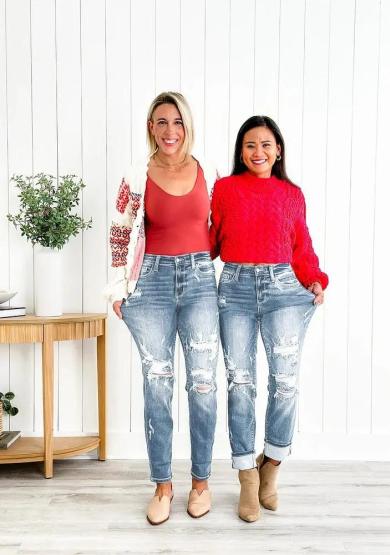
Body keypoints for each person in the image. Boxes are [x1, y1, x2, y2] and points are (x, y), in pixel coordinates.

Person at [106, 92, 219, 525]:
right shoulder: (137, 174)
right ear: (150, 128)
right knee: (158, 385)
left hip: (199, 282)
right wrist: (117, 288)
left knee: (203, 384)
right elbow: (120, 230)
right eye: (161, 122)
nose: (170, 131)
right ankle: (162, 486)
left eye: (177, 122)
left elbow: (224, 228)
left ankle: (201, 483)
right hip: (150, 283)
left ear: (188, 126)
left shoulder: (210, 171)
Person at [210, 115, 328, 522]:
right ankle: (246, 474)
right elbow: (210, 241)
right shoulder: (225, 189)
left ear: (278, 150)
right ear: (240, 152)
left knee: (285, 382)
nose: (257, 152)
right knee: (240, 382)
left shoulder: (292, 194)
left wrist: (313, 279)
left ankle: (271, 466)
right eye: (249, 145)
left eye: (265, 144)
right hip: (235, 289)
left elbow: (301, 246)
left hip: (283, 289)